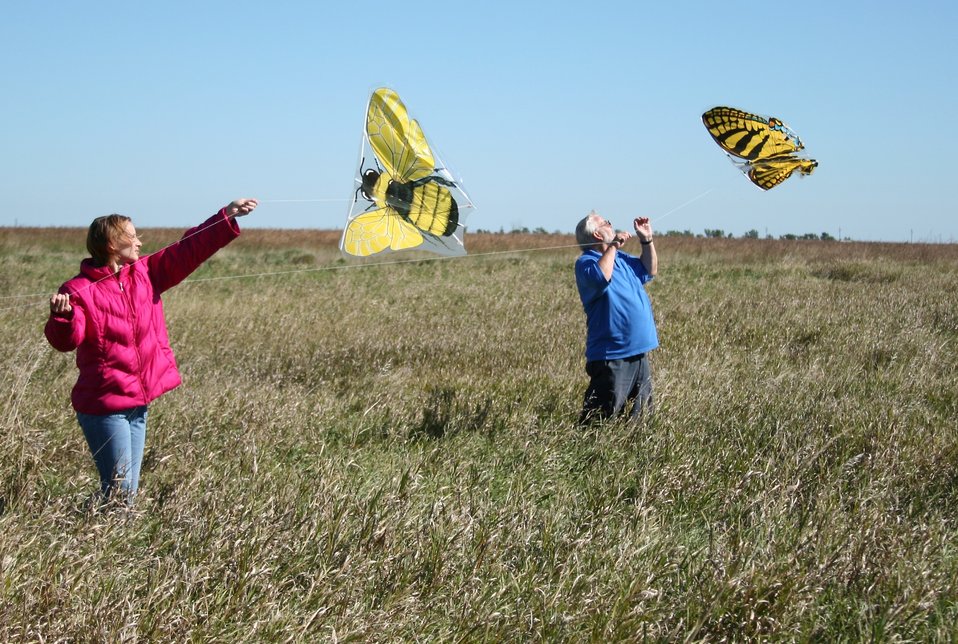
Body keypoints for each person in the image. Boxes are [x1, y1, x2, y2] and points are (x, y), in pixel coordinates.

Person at [45, 198, 258, 502]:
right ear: (110, 243)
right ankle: (101, 536)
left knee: (124, 491)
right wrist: (63, 318)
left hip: (136, 403)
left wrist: (226, 216)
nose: (139, 241)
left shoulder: (146, 273)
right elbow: (66, 341)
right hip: (104, 406)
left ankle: (94, 525)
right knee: (120, 493)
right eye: (131, 236)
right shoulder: (77, 290)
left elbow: (188, 249)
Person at [574, 211, 658, 424]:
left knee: (639, 419)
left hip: (639, 351)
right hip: (612, 355)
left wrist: (646, 240)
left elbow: (650, 269)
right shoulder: (586, 263)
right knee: (601, 418)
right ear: (597, 235)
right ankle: (588, 454)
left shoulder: (622, 259)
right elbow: (601, 277)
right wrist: (613, 247)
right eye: (605, 223)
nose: (611, 224)